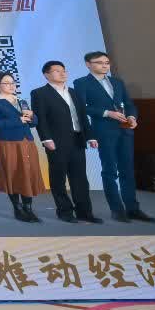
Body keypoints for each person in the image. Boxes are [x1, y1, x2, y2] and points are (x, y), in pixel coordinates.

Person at [74, 51, 155, 223]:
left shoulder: (117, 82)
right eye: (99, 62)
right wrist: (106, 113)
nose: (104, 65)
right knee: (110, 171)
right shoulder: (81, 83)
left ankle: (133, 209)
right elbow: (81, 107)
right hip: (104, 131)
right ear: (88, 64)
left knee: (128, 170)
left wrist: (132, 117)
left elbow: (129, 104)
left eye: (107, 62)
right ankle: (117, 210)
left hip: (125, 130)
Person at [31, 60, 102, 224]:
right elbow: (41, 118)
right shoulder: (40, 93)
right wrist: (46, 138)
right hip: (56, 141)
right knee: (58, 178)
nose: (62, 73)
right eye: (57, 71)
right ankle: (65, 211)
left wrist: (90, 136)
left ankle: (85, 212)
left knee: (80, 178)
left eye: (64, 70)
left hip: (77, 139)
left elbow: (83, 117)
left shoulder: (73, 92)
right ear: (46, 75)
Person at [0, 71, 45, 223]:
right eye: (6, 83)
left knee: (28, 174)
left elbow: (33, 123)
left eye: (13, 83)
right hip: (8, 143)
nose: (11, 86)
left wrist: (32, 116)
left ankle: (28, 209)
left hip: (27, 141)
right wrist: (18, 120)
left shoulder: (21, 101)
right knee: (13, 174)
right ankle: (17, 209)